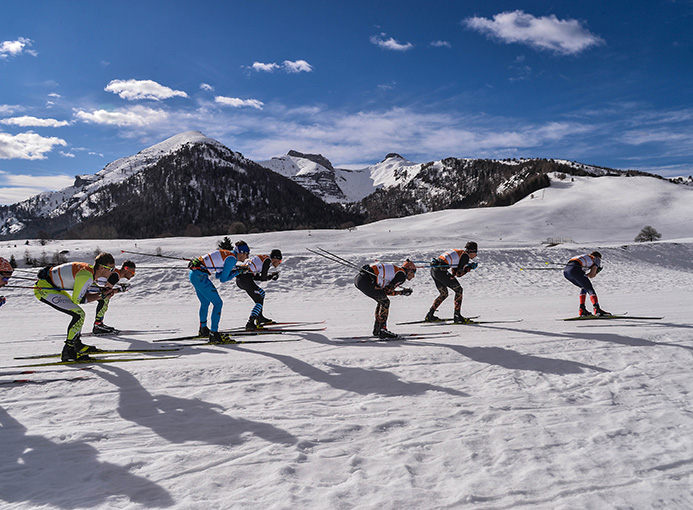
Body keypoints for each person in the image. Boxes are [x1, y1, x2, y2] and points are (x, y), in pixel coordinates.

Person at [34, 252, 121, 361]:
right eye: (111, 269)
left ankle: (76, 344)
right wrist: (101, 296)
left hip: (53, 286)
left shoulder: (91, 272)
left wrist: (101, 293)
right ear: (101, 268)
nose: (112, 272)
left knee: (79, 314)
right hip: (45, 289)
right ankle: (68, 351)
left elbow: (85, 293)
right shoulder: (86, 276)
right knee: (78, 314)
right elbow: (78, 300)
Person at [188, 240, 250, 343]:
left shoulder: (229, 255)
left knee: (205, 303)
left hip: (195, 274)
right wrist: (238, 272)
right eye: (247, 254)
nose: (247, 257)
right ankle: (214, 334)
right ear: (241, 253)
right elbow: (223, 279)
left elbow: (218, 275)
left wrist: (234, 270)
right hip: (200, 276)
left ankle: (203, 329)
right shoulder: (231, 259)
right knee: (218, 303)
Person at [354, 259, 416, 339]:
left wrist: (401, 292)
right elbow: (387, 291)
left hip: (361, 279)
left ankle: (377, 329)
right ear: (409, 270)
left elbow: (384, 292)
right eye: (414, 272)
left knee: (381, 301)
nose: (414, 276)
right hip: (367, 280)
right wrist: (402, 292)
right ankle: (382, 330)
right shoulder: (401, 275)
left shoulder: (398, 271)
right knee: (385, 302)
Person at [425, 241, 479, 323]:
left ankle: (430, 315)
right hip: (441, 271)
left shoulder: (459, 253)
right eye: (476, 252)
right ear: (472, 251)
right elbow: (458, 274)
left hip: (434, 270)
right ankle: (457, 316)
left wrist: (466, 267)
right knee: (459, 290)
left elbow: (454, 273)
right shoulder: (465, 256)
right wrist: (469, 268)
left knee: (443, 294)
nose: (476, 255)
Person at [237, 249, 283, 330]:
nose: (279, 263)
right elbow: (263, 278)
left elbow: (256, 277)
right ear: (276, 258)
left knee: (262, 293)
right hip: (245, 280)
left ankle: (260, 318)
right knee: (258, 301)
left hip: (242, 279)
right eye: (280, 261)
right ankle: (250, 323)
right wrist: (271, 276)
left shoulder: (263, 258)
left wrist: (270, 276)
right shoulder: (267, 260)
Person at [91, 260, 136, 334]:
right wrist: (120, 290)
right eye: (132, 272)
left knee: (105, 298)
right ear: (126, 269)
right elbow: (107, 291)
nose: (133, 275)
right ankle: (97, 325)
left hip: (92, 284)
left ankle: (99, 324)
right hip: (88, 285)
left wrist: (120, 289)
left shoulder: (115, 274)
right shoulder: (115, 275)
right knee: (105, 299)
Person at [563, 251, 610, 317]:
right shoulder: (596, 259)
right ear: (598, 257)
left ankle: (582, 310)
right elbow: (591, 275)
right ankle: (597, 309)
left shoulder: (586, 257)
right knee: (590, 289)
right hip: (575, 269)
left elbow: (583, 275)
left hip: (566, 272)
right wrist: (597, 271)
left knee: (584, 287)